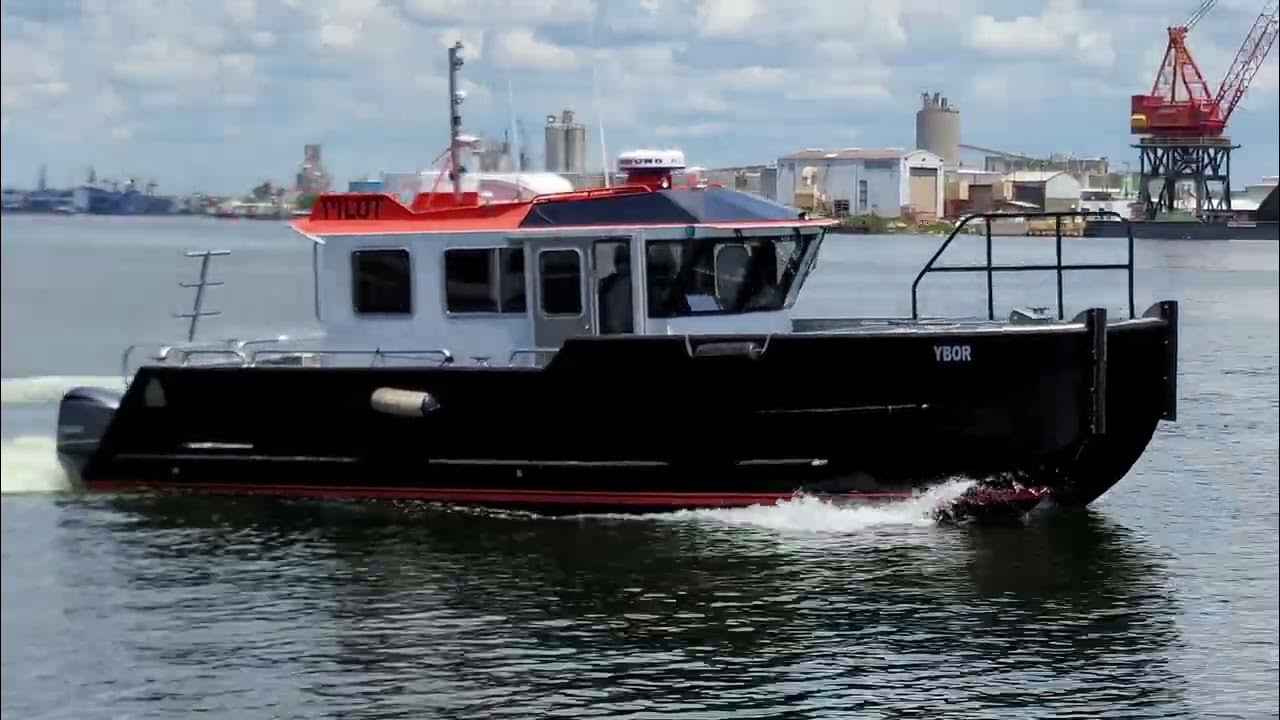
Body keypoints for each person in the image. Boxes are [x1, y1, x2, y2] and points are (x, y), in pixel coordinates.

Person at [598, 244, 634, 334]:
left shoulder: (637, 281)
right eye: (619, 261)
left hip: (628, 329)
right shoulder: (609, 283)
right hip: (611, 330)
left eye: (625, 260)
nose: (622, 265)